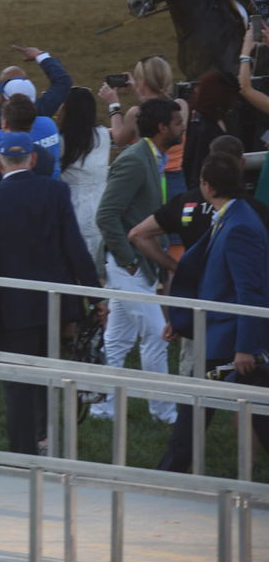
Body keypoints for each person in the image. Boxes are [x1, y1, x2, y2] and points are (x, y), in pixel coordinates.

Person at [0, 133, 101, 455]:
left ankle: (24, 454)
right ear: (33, 160)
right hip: (52, 307)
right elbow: (75, 248)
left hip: (10, 310)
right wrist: (96, 297)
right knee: (46, 379)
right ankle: (45, 440)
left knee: (19, 385)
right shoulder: (55, 191)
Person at [157, 153, 269, 471]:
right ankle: (170, 475)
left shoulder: (239, 226)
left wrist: (245, 346)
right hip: (225, 337)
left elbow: (251, 291)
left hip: (229, 341)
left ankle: (168, 478)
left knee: (193, 414)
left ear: (206, 186)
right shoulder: (237, 217)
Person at [92, 99, 184, 425]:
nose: (182, 126)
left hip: (136, 265)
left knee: (116, 341)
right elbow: (106, 215)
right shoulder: (134, 161)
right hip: (128, 265)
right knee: (158, 334)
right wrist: (129, 261)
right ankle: (164, 413)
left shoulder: (151, 157)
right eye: (177, 122)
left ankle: (103, 408)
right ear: (162, 128)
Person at [57, 86, 113, 276]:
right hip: (101, 205)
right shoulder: (103, 135)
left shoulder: (61, 141)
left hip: (72, 206)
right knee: (96, 270)